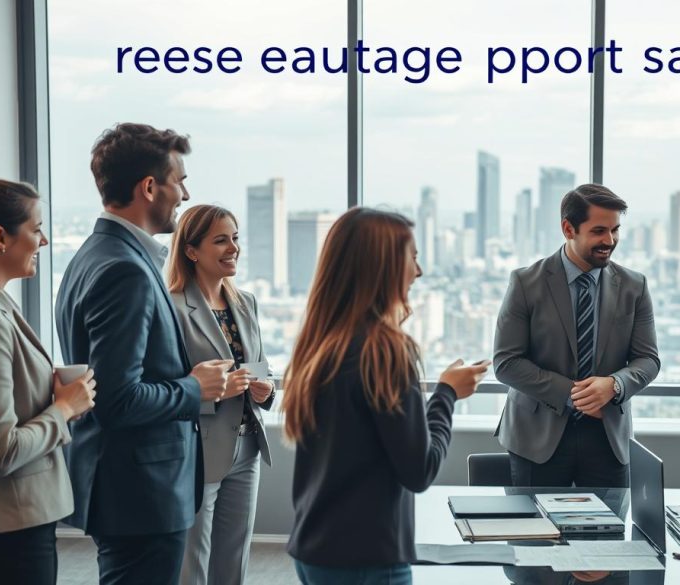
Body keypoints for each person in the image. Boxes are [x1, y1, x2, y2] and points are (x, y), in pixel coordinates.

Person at [55, 124, 234, 585]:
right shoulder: (124, 269)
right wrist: (195, 387)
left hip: (123, 485)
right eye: (180, 181)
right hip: (141, 493)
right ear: (149, 187)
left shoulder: (93, 254)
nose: (186, 193)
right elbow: (118, 399)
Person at [283, 207, 488, 585]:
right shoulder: (385, 351)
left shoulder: (320, 344)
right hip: (366, 557)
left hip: (315, 548)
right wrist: (446, 394)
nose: (419, 271)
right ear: (384, 266)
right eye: (413, 257)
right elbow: (419, 470)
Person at [0, 160, 96, 585]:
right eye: (36, 229)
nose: (45, 240)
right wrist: (64, 408)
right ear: (1, 237)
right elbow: (1, 451)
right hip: (7, 531)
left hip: (6, 524)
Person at [494, 184, 660, 488]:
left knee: (609, 535)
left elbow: (648, 360)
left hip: (607, 438)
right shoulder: (525, 283)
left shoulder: (634, 286)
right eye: (598, 231)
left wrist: (614, 385)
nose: (609, 241)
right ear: (568, 229)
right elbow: (506, 362)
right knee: (534, 535)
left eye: (615, 230)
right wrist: (577, 395)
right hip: (536, 439)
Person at [168, 205, 275, 585]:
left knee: (233, 561)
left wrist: (265, 388)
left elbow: (259, 364)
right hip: (199, 450)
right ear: (192, 250)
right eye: (220, 240)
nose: (233, 247)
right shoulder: (173, 307)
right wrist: (212, 393)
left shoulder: (245, 302)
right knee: (192, 562)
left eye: (235, 238)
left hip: (246, 448)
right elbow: (168, 385)